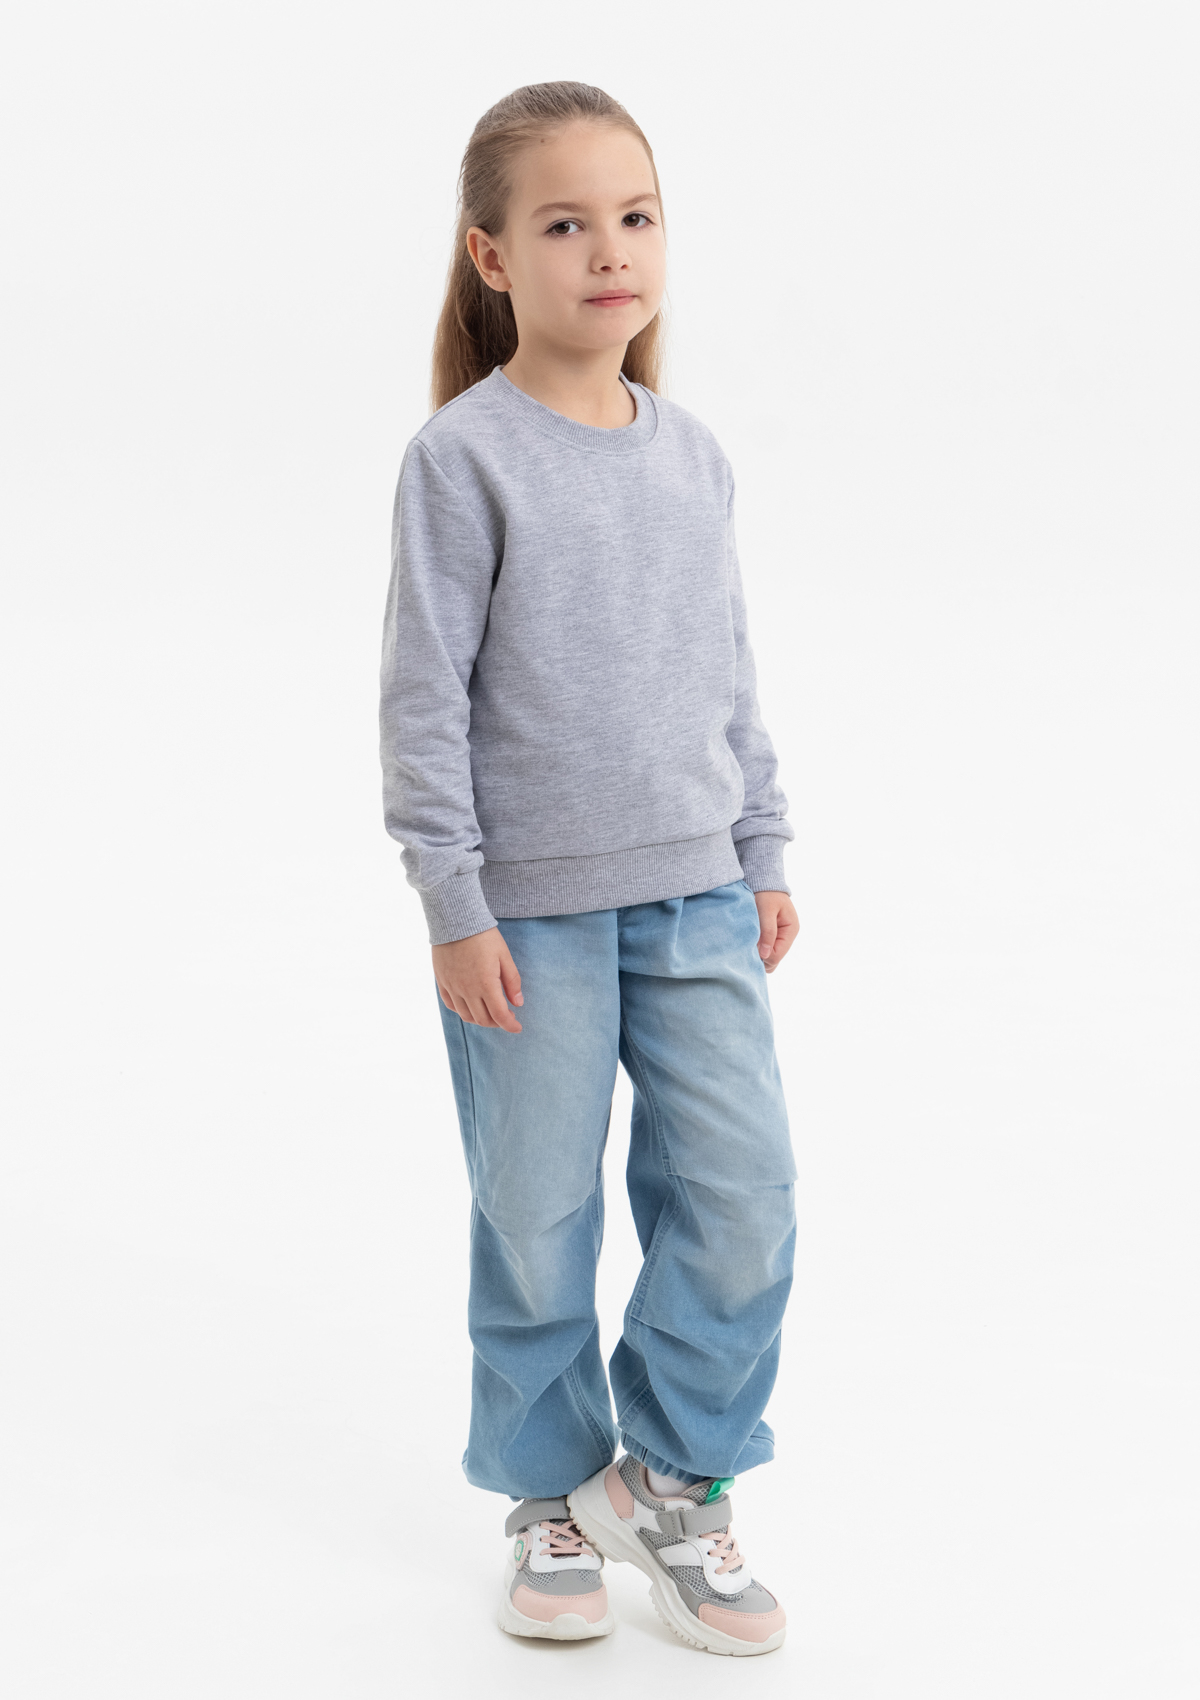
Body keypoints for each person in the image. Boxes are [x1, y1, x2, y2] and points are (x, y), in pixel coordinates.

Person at [379, 81, 797, 1657]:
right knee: (536, 1214)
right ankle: (549, 1493)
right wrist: (453, 903)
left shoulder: (693, 456)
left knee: (742, 1199)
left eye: (636, 216)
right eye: (566, 224)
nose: (610, 250)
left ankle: (669, 1483)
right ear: (493, 258)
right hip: (528, 922)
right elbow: (423, 700)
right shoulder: (463, 459)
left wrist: (761, 842)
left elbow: (728, 671)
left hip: (698, 897)